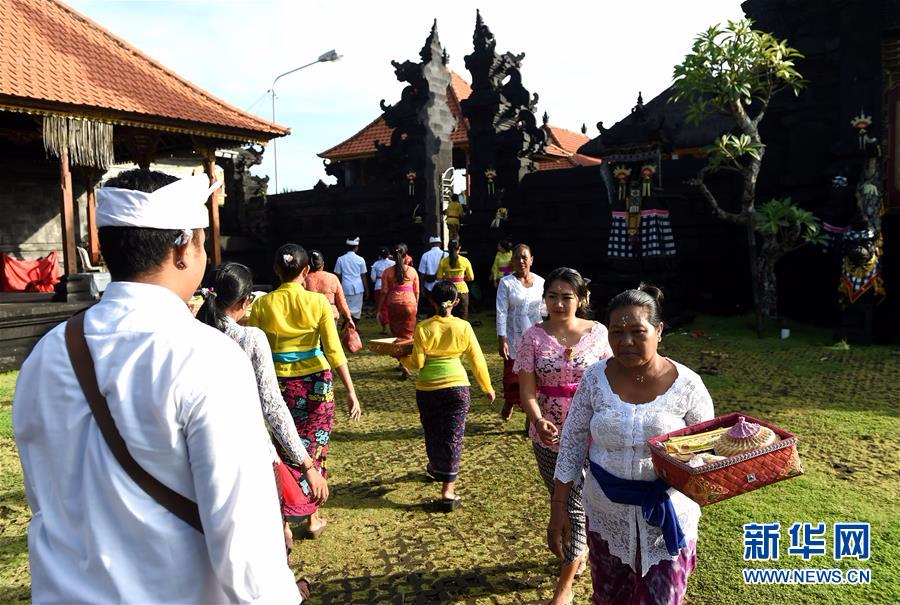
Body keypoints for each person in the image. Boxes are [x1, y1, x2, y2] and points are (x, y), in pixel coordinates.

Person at [13, 170, 302, 603]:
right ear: (184, 249)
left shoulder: (45, 356)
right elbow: (244, 544)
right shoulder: (209, 358)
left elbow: (44, 501)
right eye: (203, 241)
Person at [549, 285, 714, 605]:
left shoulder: (689, 385)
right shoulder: (595, 379)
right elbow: (572, 442)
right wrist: (558, 508)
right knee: (610, 598)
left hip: (667, 520)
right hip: (605, 515)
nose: (626, 342)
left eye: (638, 331)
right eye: (617, 332)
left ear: (659, 330)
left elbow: (707, 450)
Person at [196, 261, 329, 553]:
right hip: (250, 452)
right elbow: (272, 406)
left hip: (202, 454)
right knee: (266, 539)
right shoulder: (249, 338)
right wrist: (307, 465)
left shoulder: (192, 334)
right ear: (245, 302)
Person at [248, 244, 363, 541]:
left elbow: (256, 353)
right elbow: (334, 350)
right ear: (306, 271)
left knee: (283, 448)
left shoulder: (261, 305)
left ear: (276, 270)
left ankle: (283, 520)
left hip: (279, 386)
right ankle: (311, 517)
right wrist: (351, 391)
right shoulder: (318, 303)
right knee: (315, 450)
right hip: (317, 384)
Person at [515, 268, 612, 605]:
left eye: (566, 296)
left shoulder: (599, 333)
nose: (558, 303)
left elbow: (610, 382)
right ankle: (578, 548)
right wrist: (538, 418)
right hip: (549, 436)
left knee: (574, 503)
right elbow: (527, 389)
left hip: (592, 432)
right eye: (552, 296)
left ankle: (564, 587)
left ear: (581, 299)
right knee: (564, 498)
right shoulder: (532, 337)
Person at [401, 281, 495, 510]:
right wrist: (487, 386)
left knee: (432, 431)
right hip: (457, 388)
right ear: (456, 302)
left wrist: (402, 359)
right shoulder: (463, 327)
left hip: (427, 389)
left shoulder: (423, 327)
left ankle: (435, 465)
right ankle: (448, 490)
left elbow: (418, 362)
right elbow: (476, 359)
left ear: (432, 301)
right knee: (454, 436)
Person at [496, 244, 545, 421]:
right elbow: (501, 311)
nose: (521, 261)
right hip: (513, 334)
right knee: (512, 375)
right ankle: (510, 401)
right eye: (517, 257)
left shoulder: (541, 282)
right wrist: (502, 338)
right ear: (512, 261)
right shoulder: (506, 283)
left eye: (524, 257)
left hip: (535, 334)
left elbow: (545, 309)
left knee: (534, 373)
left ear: (531, 259)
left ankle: (530, 414)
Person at [377, 243, 420, 380]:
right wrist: (415, 305)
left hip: (393, 304)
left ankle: (404, 364)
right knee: (408, 336)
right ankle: (405, 363)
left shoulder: (388, 272)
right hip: (410, 303)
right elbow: (417, 291)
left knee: (397, 335)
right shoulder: (412, 271)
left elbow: (383, 292)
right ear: (406, 255)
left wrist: (379, 309)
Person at [305, 250, 355, 330]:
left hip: (311, 316)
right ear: (323, 264)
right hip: (330, 314)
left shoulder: (304, 280)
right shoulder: (333, 278)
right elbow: (341, 301)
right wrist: (349, 318)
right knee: (330, 341)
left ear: (307, 267)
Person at [436, 239, 474, 319]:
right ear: (459, 248)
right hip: (462, 290)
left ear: (448, 247)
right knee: (463, 316)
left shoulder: (443, 261)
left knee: (448, 315)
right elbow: (471, 277)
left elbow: (438, 277)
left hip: (448, 290)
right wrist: (461, 278)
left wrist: (447, 278)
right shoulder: (465, 260)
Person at [333, 237, 368, 321]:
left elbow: (337, 276)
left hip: (345, 287)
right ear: (356, 247)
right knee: (357, 310)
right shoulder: (361, 259)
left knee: (345, 308)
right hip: (358, 288)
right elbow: (363, 276)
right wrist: (367, 289)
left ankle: (348, 327)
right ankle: (353, 328)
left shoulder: (340, 259)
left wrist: (336, 289)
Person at [370, 247, 395, 334]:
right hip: (390, 286)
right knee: (390, 306)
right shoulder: (393, 263)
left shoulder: (376, 264)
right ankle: (391, 326)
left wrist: (378, 277)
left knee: (381, 307)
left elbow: (373, 278)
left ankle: (384, 327)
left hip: (378, 286)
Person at [418, 235, 447, 307]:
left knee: (431, 308)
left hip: (429, 287)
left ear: (430, 244)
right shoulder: (446, 255)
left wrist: (421, 288)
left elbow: (421, 273)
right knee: (443, 307)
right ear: (440, 243)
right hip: (444, 286)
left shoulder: (425, 255)